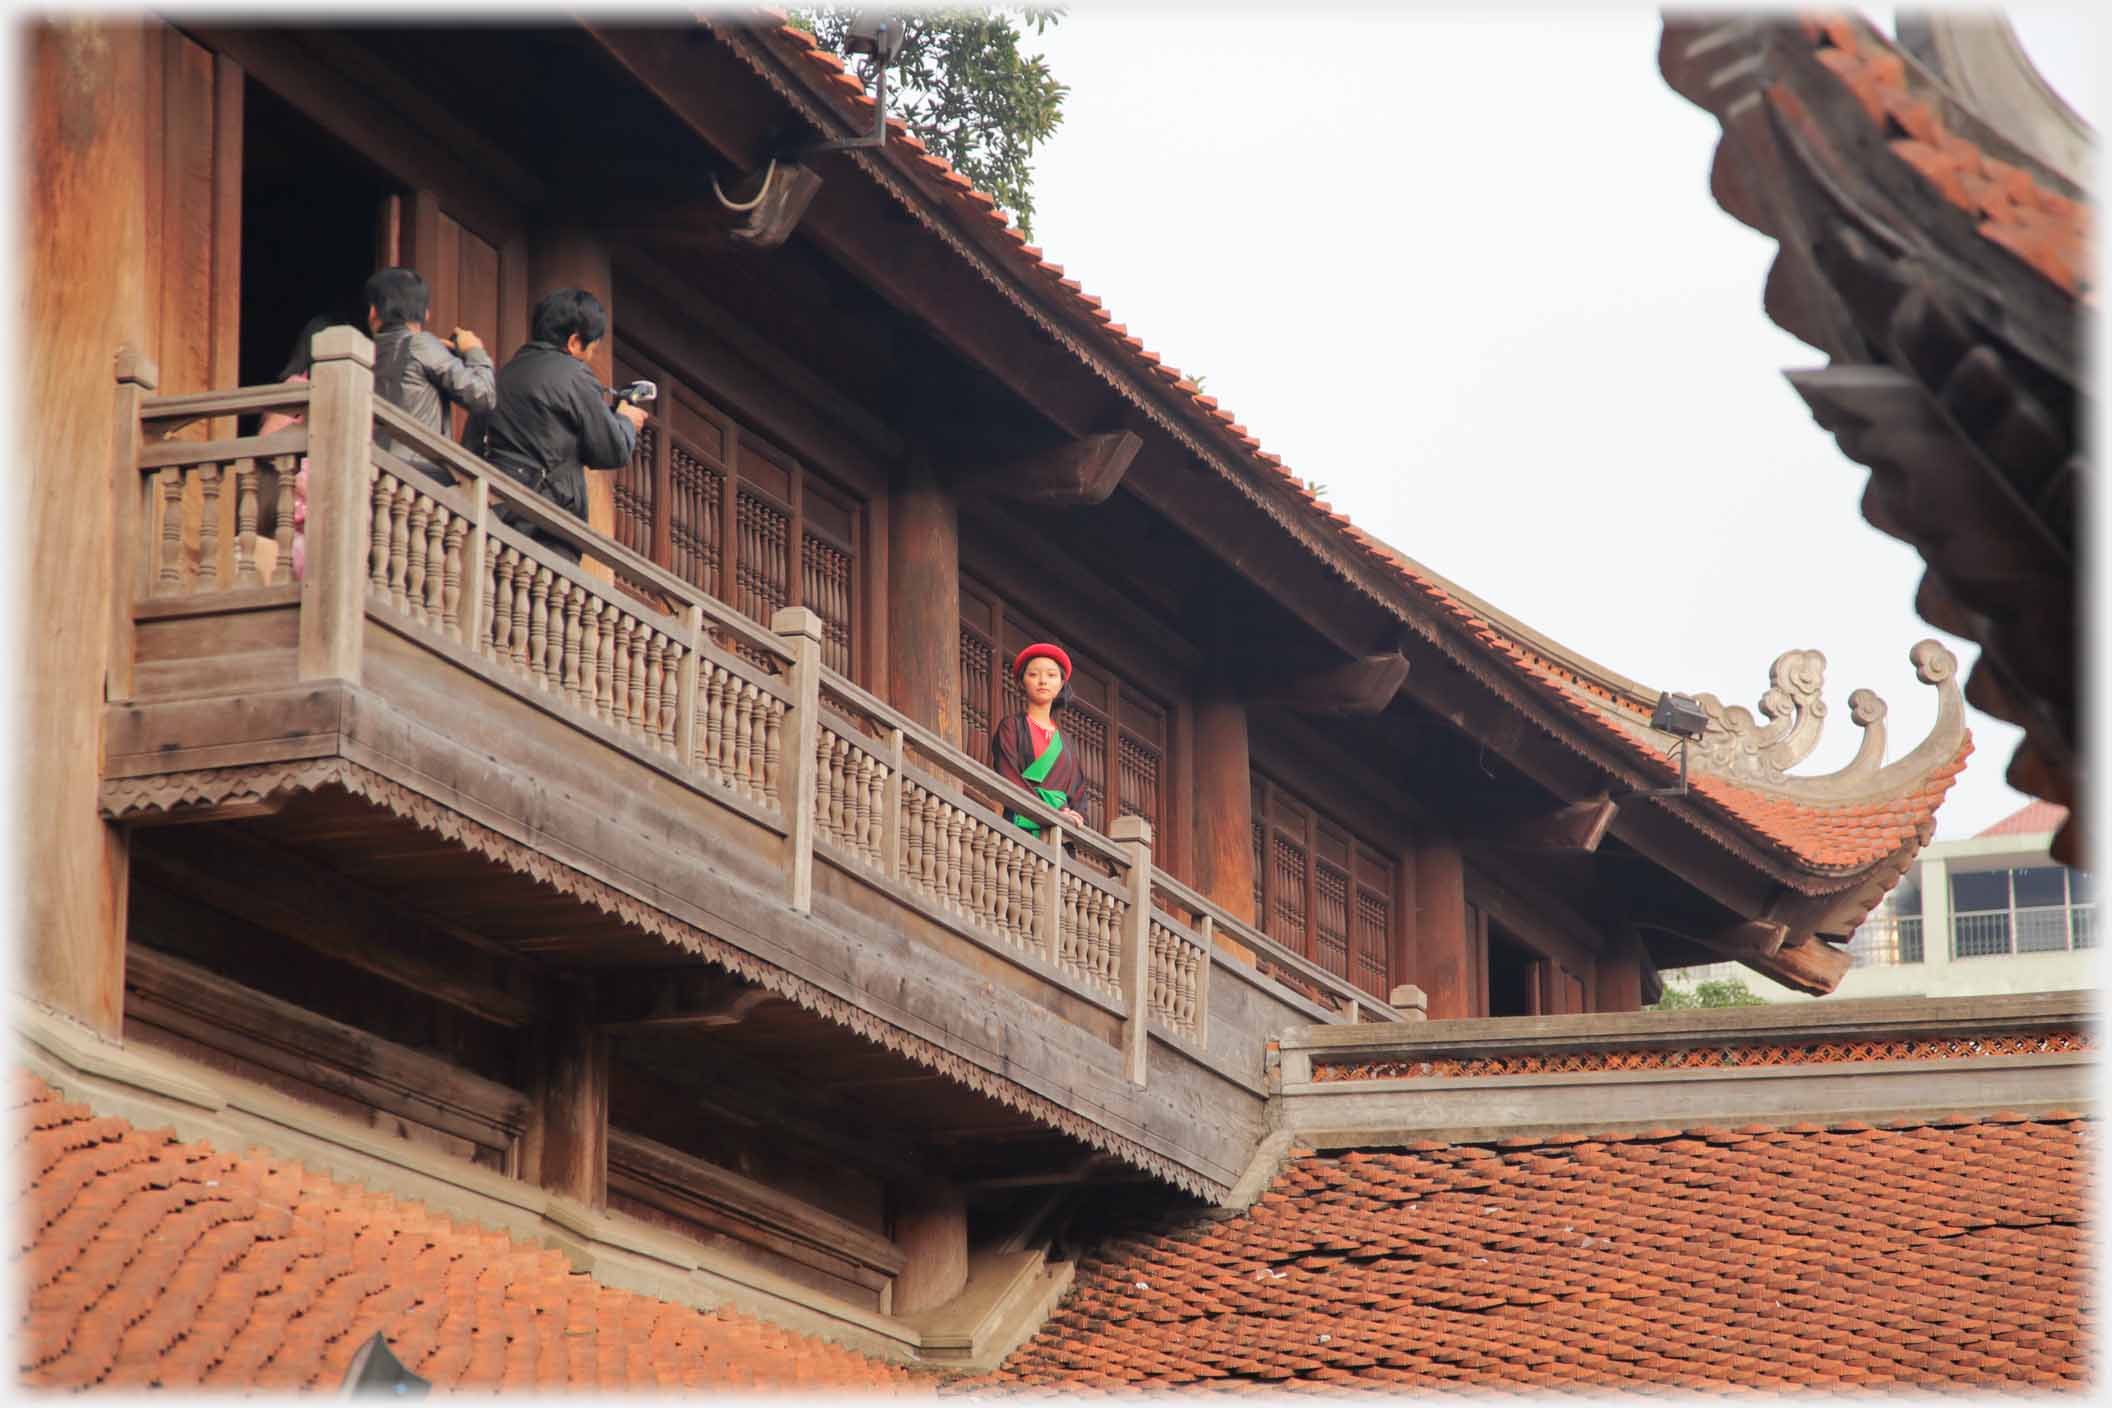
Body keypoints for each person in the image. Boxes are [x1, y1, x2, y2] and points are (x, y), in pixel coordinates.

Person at [469, 288, 647, 564]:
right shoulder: (574, 375)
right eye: (592, 348)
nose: (589, 357)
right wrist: (624, 420)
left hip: (492, 513)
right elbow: (611, 449)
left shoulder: (501, 376)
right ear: (575, 342)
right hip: (545, 526)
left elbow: (471, 444)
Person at [362, 266, 496, 478]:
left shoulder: (364, 352)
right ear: (426, 314)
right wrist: (474, 351)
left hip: (369, 471)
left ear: (373, 312)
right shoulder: (421, 344)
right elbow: (482, 396)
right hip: (414, 479)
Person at [256, 313, 347, 581]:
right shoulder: (298, 386)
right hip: (284, 492)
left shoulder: (338, 393)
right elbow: (268, 442)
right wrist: (300, 480)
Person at [990, 643, 1088, 835]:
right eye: (1034, 674)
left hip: (1058, 833)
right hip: (1021, 825)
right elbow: (1008, 776)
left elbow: (1078, 791)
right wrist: (1053, 811)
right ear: (1021, 682)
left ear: (1061, 684)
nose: (1042, 681)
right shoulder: (1011, 727)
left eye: (1051, 675)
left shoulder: (1066, 742)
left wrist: (1075, 815)